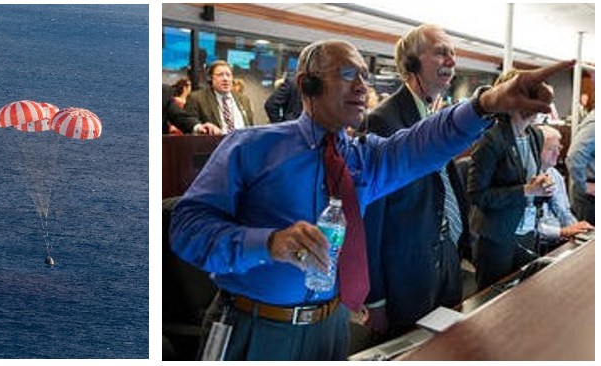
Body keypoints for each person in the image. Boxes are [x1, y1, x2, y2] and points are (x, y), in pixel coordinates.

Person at [168, 38, 570, 360]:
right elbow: (187, 228)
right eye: (347, 75)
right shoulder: (250, 147)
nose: (363, 87)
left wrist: (487, 103)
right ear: (308, 84)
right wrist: (268, 243)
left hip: (332, 329)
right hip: (258, 330)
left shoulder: (361, 157)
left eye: (364, 76)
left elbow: (421, 142)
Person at [358, 24, 470, 339]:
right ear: (411, 63)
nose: (451, 60)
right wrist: (375, 298)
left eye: (453, 53)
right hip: (406, 272)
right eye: (440, 52)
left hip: (446, 258)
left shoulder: (437, 117)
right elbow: (371, 219)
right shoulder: (382, 120)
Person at [467, 69, 558, 288]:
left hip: (526, 232)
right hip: (496, 237)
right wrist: (526, 190)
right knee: (493, 302)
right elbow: (477, 195)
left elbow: (532, 181)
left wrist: (543, 189)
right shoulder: (491, 139)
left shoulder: (535, 134)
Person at [535, 125, 594, 247]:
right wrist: (562, 232)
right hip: (539, 245)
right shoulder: (527, 180)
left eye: (559, 148)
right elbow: (530, 229)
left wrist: (579, 229)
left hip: (560, 240)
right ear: (535, 149)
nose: (558, 153)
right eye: (552, 149)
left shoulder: (554, 174)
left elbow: (565, 212)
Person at [185, 60, 255, 134]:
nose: (225, 79)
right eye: (220, 75)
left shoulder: (244, 99)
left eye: (228, 75)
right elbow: (190, 125)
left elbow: (250, 126)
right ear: (211, 78)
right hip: (214, 144)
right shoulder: (197, 98)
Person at [567, 102, 595, 225]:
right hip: (590, 198)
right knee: (586, 239)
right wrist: (584, 185)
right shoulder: (595, 124)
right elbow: (574, 156)